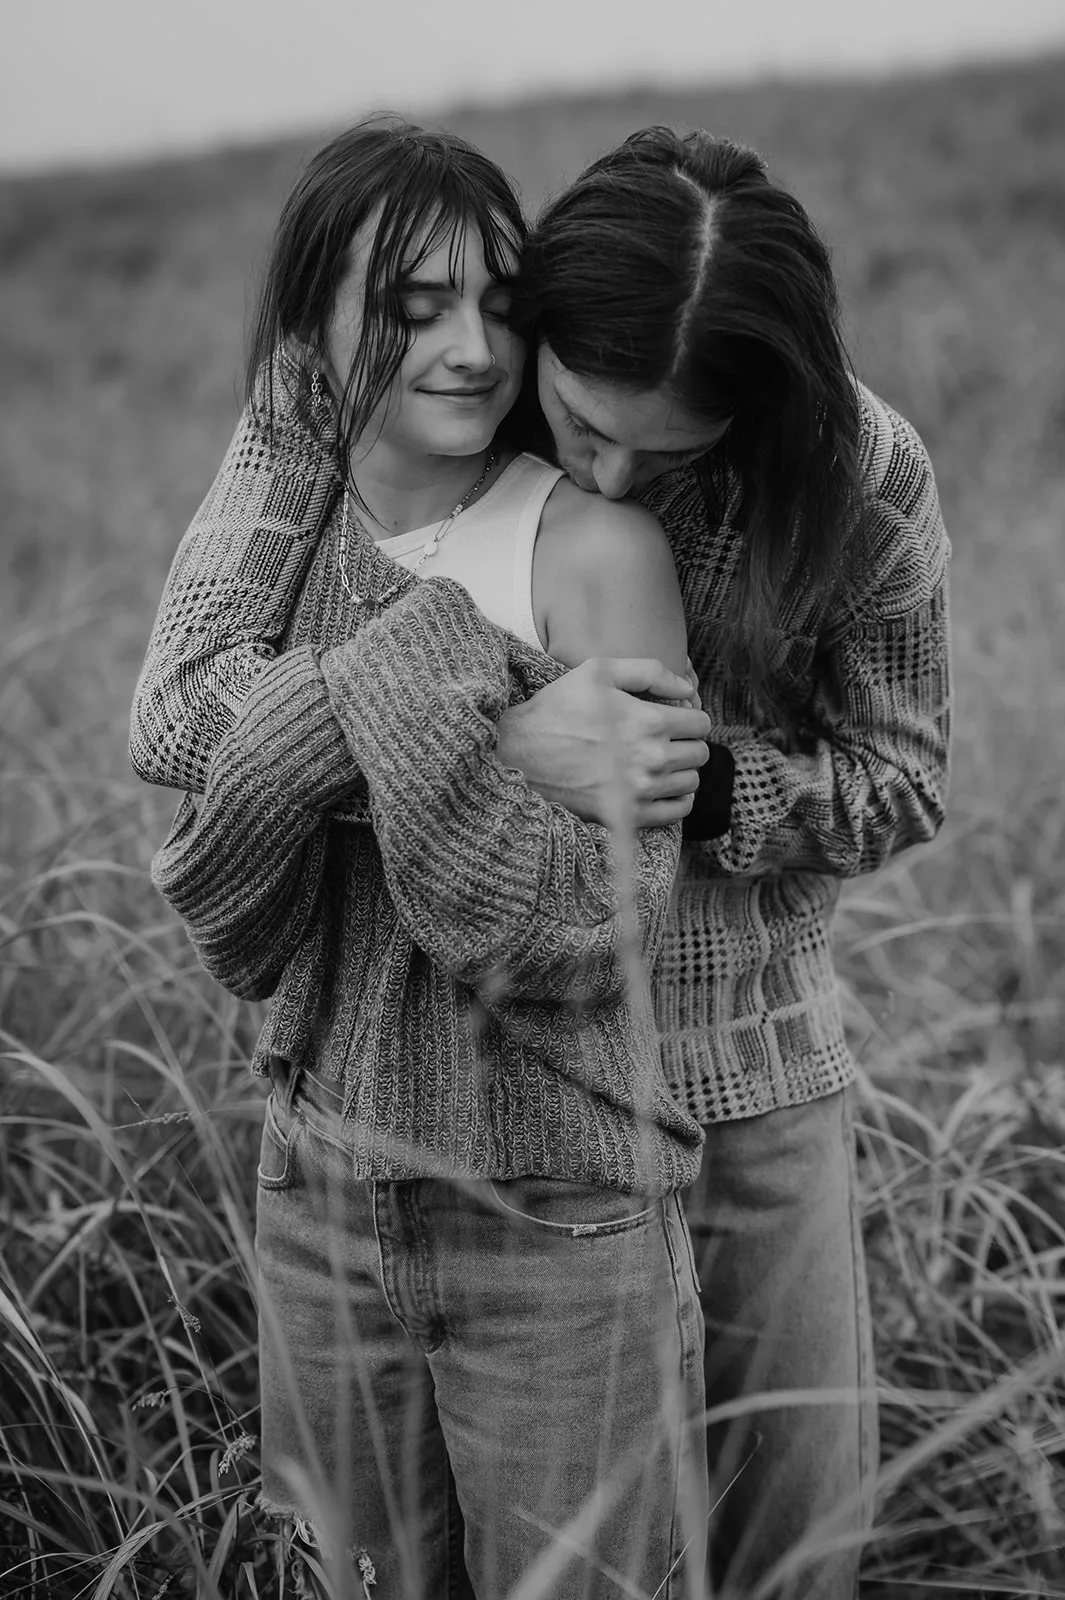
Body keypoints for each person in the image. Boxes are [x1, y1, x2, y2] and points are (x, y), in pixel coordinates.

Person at [132, 125, 952, 1600]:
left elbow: (901, 782)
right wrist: (489, 732)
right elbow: (185, 709)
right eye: (582, 418)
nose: (610, 467)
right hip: (491, 1101)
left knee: (785, 1549)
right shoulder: (420, 381)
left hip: (747, 1085)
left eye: (671, 449)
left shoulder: (861, 477)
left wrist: (690, 787)